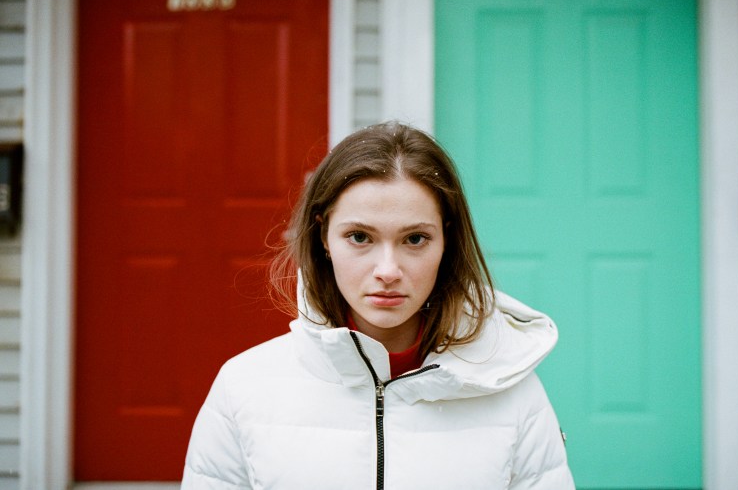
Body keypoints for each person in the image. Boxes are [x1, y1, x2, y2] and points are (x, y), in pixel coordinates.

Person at [181, 122, 575, 489]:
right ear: (324, 236)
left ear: (446, 241)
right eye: (359, 237)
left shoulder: (511, 390)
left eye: (415, 239)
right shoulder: (244, 387)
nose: (388, 270)